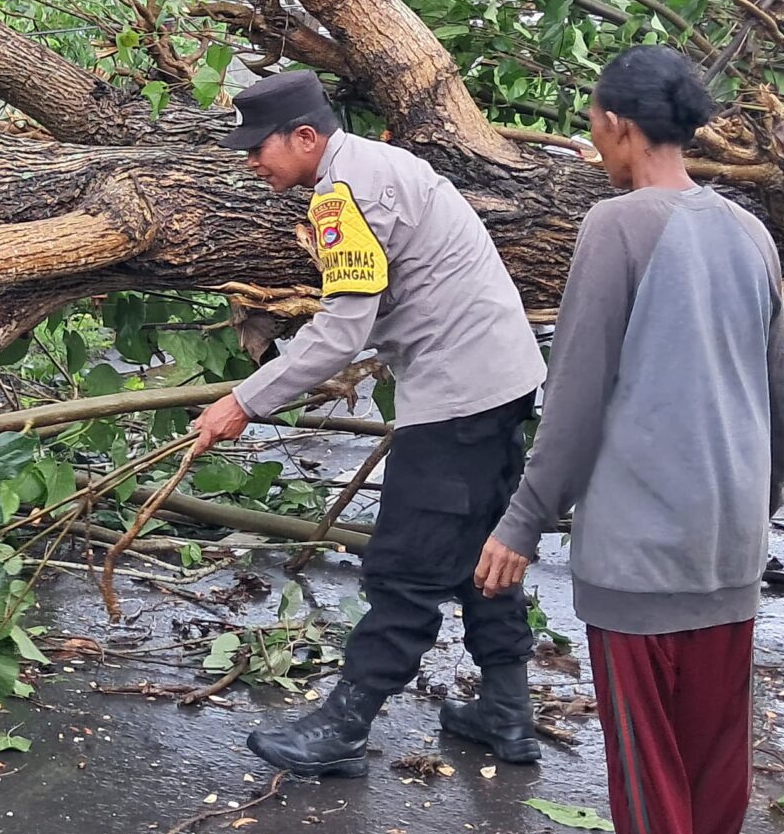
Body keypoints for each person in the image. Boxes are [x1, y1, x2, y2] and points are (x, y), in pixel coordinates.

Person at [475, 46, 784, 834]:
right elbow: (781, 403)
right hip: (728, 546)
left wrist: (522, 519)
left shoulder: (614, 228)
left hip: (642, 550)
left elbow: (572, 398)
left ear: (616, 124)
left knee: (647, 765)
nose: (591, 143)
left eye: (592, 125)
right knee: (711, 762)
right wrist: (753, 508)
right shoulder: (747, 232)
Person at [191, 69, 547, 778]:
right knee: (483, 550)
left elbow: (341, 332)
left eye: (258, 147)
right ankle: (506, 712)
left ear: (304, 136)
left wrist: (243, 401)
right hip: (501, 385)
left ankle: (344, 725)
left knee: (406, 567)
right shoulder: (381, 167)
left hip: (459, 399)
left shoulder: (341, 194)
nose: (251, 161)